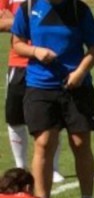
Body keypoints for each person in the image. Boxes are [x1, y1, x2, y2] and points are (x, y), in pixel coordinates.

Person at [10, 0, 94, 198]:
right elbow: (17, 43)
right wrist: (36, 52)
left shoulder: (79, 9)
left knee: (80, 144)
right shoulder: (28, 7)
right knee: (43, 143)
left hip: (77, 88)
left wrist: (79, 72)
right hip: (40, 86)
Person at [1, 0, 62, 180]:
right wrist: (27, 20)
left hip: (47, 62)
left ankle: (52, 167)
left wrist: (16, 21)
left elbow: (58, 20)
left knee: (51, 119)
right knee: (14, 117)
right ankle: (20, 167)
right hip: (18, 63)